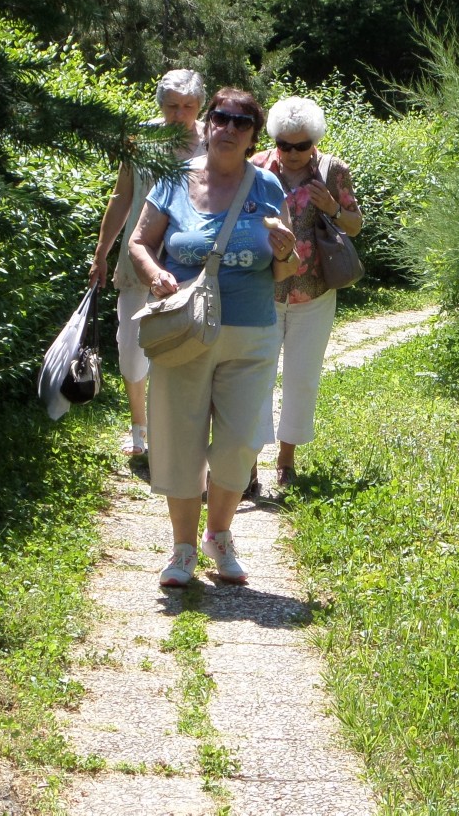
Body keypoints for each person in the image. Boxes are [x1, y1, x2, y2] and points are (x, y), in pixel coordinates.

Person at [126, 87, 300, 586]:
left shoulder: (268, 186)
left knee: (240, 441)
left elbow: (286, 270)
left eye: (241, 123)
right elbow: (139, 242)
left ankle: (219, 536)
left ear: (252, 136)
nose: (228, 128)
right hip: (184, 329)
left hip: (251, 334)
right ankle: (182, 548)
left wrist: (285, 251)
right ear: (208, 123)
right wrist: (155, 273)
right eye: (220, 117)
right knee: (179, 439)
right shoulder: (174, 179)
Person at [89, 68, 206, 456]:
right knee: (131, 348)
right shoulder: (140, 139)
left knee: (184, 347)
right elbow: (121, 196)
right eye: (172, 106)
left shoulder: (213, 141)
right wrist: (101, 253)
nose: (179, 114)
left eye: (188, 106)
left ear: (200, 106)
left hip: (189, 262)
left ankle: (173, 431)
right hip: (138, 259)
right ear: (160, 105)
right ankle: (139, 425)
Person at [251, 97, 363, 488]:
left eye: (302, 145)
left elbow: (355, 225)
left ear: (314, 141)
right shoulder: (256, 168)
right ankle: (248, 463)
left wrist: (332, 207)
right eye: (284, 144)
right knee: (255, 376)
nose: (293, 153)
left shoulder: (333, 171)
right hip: (262, 290)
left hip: (314, 292)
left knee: (302, 378)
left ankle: (286, 461)